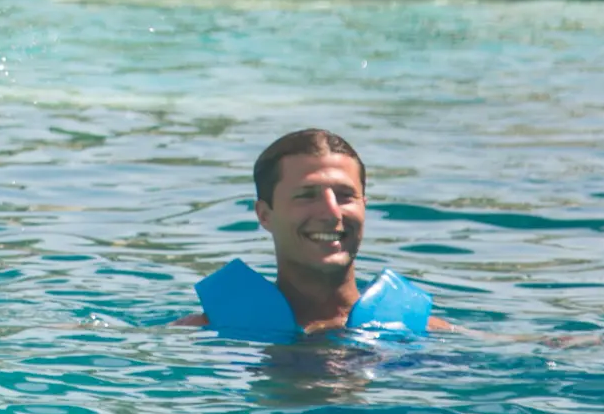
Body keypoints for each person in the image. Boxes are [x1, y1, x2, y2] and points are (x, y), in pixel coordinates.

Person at [183, 128, 446, 342]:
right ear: (264, 215)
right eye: (307, 195)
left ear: (364, 205)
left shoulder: (429, 334)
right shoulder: (200, 337)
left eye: (345, 195)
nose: (331, 213)